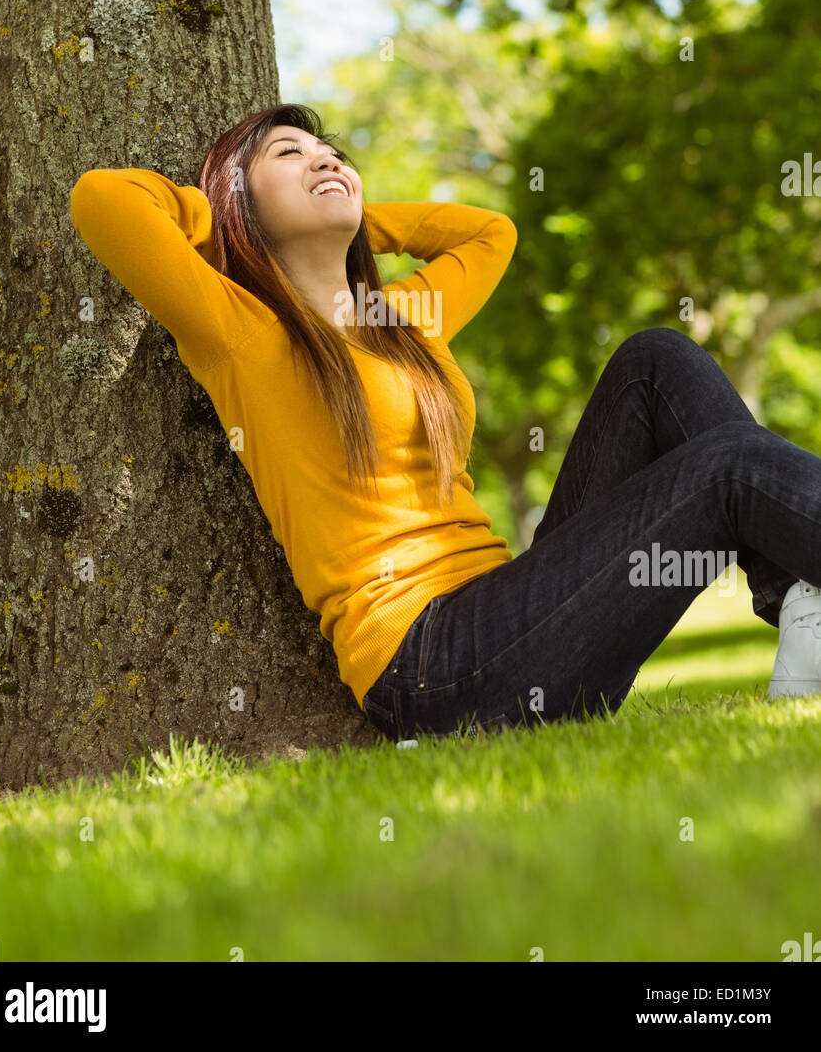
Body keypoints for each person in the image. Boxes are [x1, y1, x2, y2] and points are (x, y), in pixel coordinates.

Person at [70, 102, 821, 745]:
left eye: (334, 154)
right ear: (242, 198)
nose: (325, 161)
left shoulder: (402, 320)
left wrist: (362, 221)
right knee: (728, 466)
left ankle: (800, 604)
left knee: (655, 359)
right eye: (289, 154)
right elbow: (102, 199)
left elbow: (490, 233)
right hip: (432, 663)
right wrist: (227, 221)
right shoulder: (242, 331)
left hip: (518, 617)